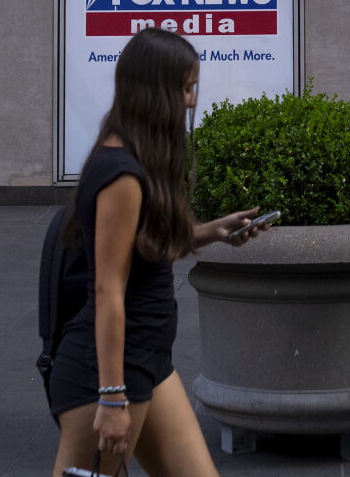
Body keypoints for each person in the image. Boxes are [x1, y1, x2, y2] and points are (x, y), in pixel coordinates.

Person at [49, 27, 266, 477]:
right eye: (186, 89)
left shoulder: (138, 159)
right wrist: (111, 397)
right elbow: (108, 289)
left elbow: (146, 246)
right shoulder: (121, 173)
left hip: (149, 359)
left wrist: (212, 232)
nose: (191, 101)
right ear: (155, 91)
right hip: (108, 371)